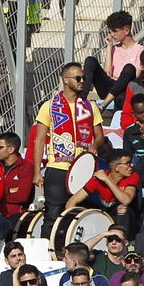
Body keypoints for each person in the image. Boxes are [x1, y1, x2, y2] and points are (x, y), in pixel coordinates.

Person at [32, 62, 102, 235]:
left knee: (79, 214)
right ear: (65, 80)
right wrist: (36, 171)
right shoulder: (49, 106)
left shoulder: (90, 106)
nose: (82, 81)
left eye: (83, 78)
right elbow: (39, 140)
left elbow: (100, 135)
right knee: (52, 215)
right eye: (77, 78)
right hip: (58, 167)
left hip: (83, 168)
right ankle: (47, 254)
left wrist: (95, 144)